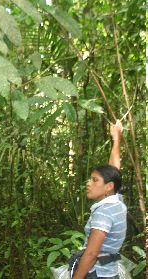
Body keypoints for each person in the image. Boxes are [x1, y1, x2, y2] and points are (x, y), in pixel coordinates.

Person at [72, 119, 126, 279]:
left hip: (96, 274)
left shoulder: (103, 214)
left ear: (108, 186)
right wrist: (116, 139)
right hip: (110, 273)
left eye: (95, 180)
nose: (88, 184)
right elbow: (114, 171)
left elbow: (91, 254)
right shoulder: (117, 202)